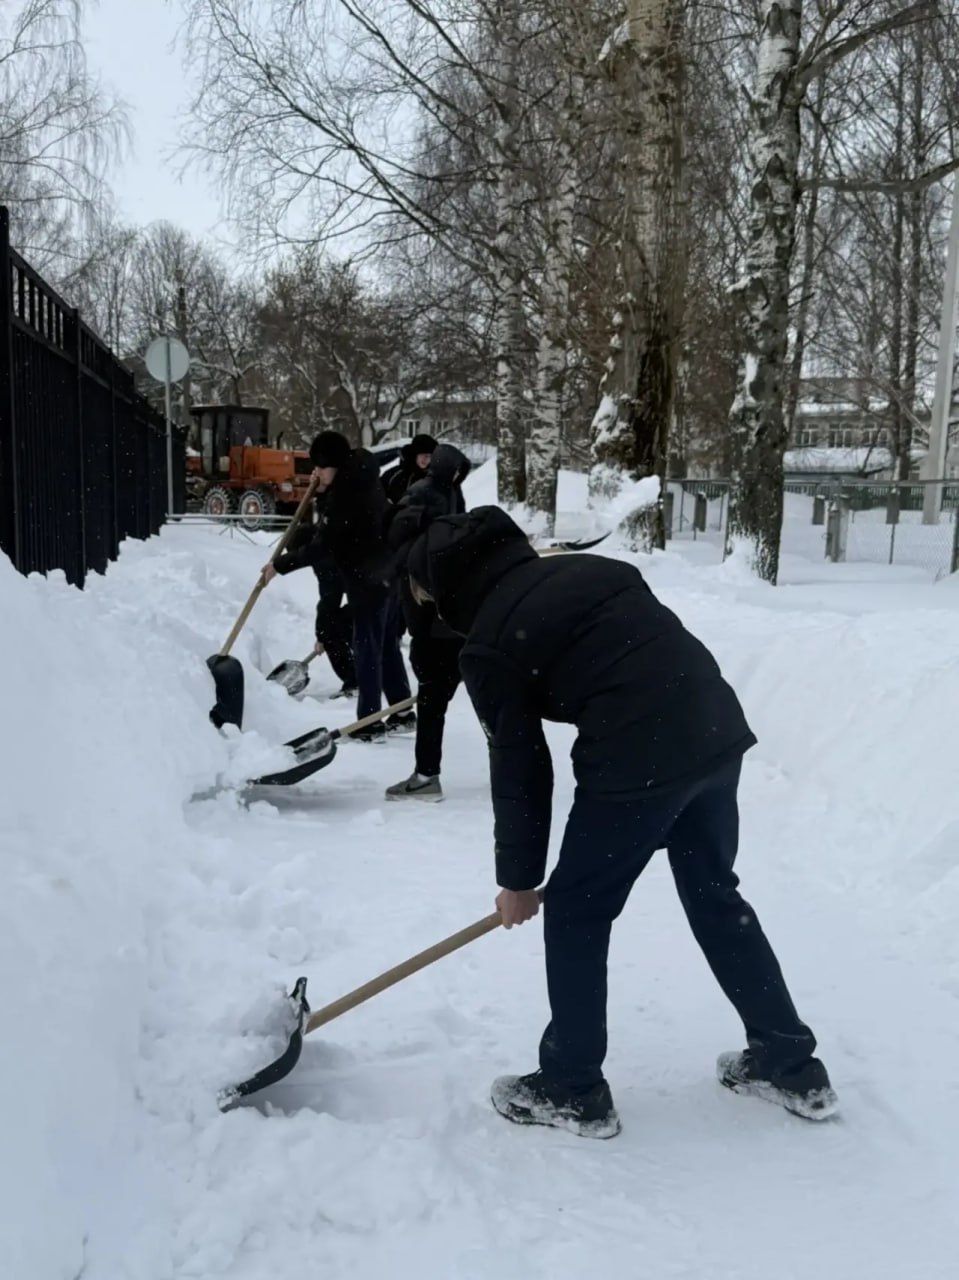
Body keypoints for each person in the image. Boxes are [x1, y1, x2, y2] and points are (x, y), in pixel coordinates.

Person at [406, 505, 837, 1139]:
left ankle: (572, 1087)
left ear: (451, 591)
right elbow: (642, 658)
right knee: (716, 895)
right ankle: (790, 1062)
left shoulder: (491, 643)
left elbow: (521, 770)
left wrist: (519, 880)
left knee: (578, 910)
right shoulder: (592, 568)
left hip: (640, 756)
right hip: (714, 732)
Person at [265, 430, 412, 740]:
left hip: (368, 577)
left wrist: (279, 566)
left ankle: (369, 722)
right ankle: (401, 712)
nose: (315, 473)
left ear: (334, 465)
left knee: (368, 648)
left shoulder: (347, 496)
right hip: (387, 573)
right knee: (385, 646)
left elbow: (323, 546)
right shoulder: (361, 473)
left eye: (319, 467)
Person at [383, 443, 471, 801]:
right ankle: (427, 774)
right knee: (438, 698)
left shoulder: (450, 492)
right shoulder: (422, 495)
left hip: (448, 619)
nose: (457, 478)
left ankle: (426, 777)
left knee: (438, 699)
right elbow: (402, 547)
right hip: (434, 615)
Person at [382, 433, 438, 505]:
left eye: (430, 456)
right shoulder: (394, 475)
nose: (427, 459)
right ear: (415, 454)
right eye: (424, 455)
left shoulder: (433, 477)